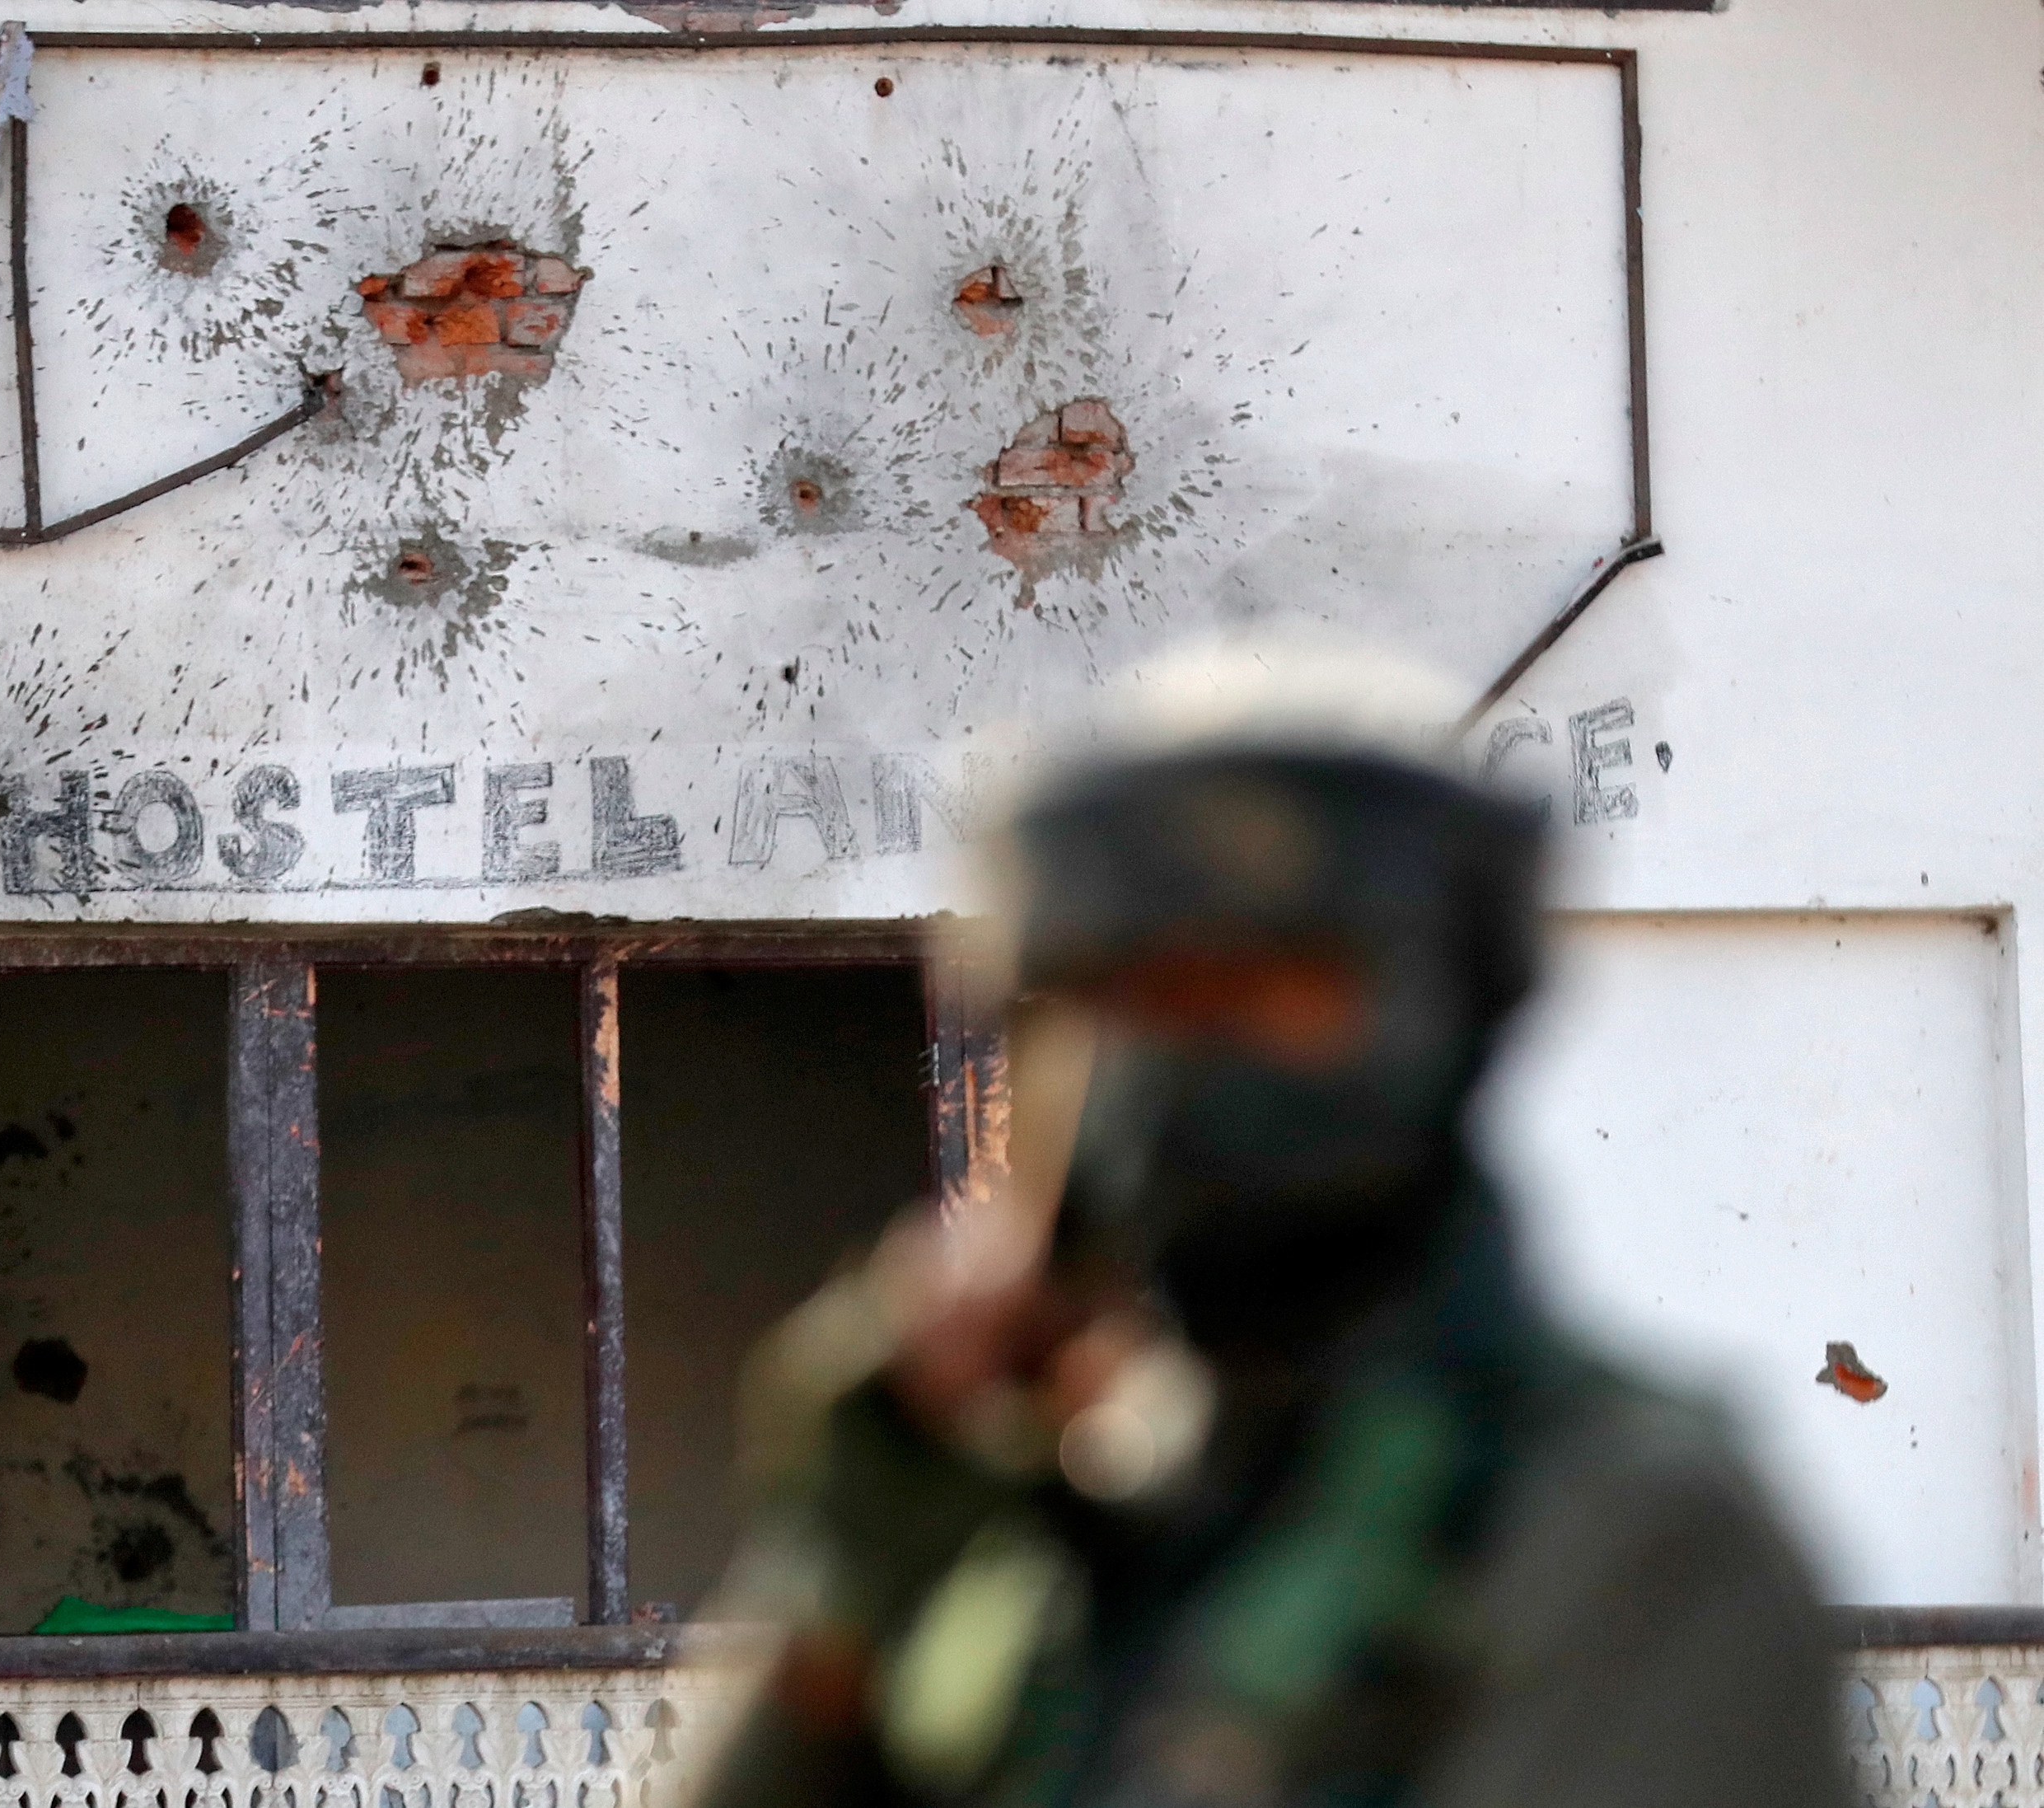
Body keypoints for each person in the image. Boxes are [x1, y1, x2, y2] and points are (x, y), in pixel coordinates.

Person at [695, 642, 1842, 1808]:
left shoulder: (1621, 1533)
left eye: (1256, 991)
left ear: (1438, 1016)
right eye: (1122, 999)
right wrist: (855, 1550)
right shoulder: (1070, 1529)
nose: (1171, 1059)